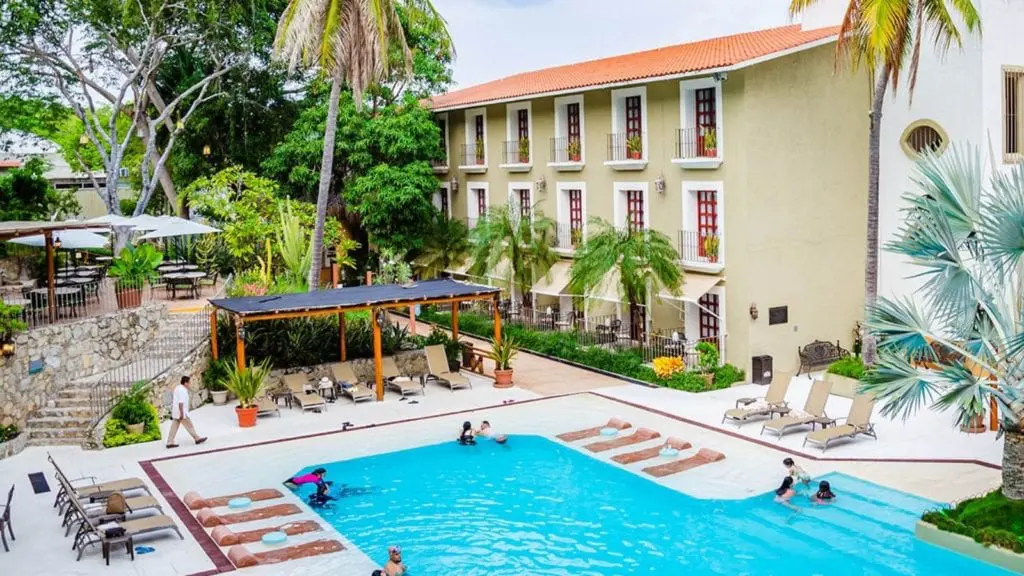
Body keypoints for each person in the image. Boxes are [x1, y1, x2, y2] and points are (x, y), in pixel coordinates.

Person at [167, 376, 207, 448]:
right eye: (189, 383)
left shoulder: (177, 388)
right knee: (189, 425)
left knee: (174, 427)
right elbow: (181, 403)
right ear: (185, 383)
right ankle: (197, 438)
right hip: (181, 412)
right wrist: (182, 414)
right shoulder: (183, 390)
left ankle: (169, 442)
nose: (190, 384)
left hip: (176, 412)